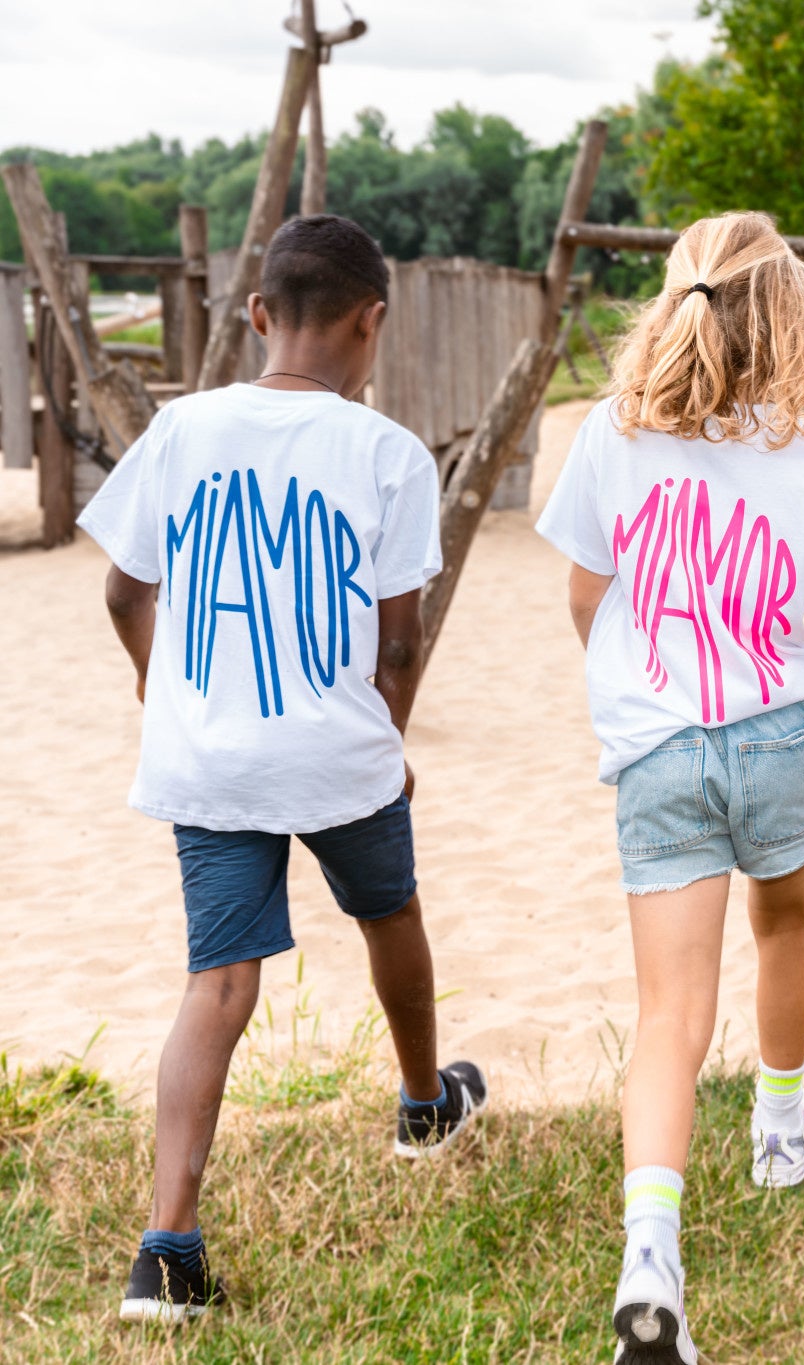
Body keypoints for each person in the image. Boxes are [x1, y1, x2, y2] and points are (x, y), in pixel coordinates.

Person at [535, 211, 804, 1364]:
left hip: (659, 750)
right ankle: (776, 1123)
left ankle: (650, 1257)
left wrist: (632, 679)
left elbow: (585, 596)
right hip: (778, 739)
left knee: (669, 1010)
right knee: (786, 923)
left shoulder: (611, 439)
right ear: (790, 319)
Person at [77, 214, 487, 1325]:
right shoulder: (389, 453)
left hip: (207, 752)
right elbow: (398, 638)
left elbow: (122, 592)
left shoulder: (179, 429)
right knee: (388, 912)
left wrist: (159, 686)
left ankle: (165, 1254)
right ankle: (421, 1107)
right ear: (375, 324)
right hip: (337, 747)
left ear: (257, 316)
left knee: (216, 985)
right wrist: (389, 740)